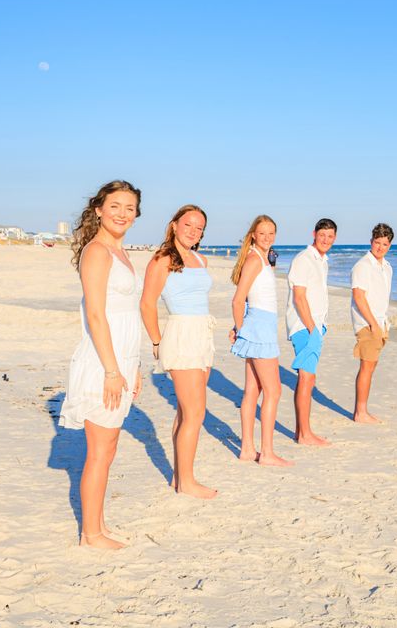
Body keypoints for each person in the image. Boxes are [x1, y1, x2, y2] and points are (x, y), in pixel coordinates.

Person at [59, 180, 143, 549]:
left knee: (108, 449)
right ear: (99, 210)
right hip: (103, 360)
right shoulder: (97, 252)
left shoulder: (120, 252)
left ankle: (98, 525)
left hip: (122, 358)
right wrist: (111, 370)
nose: (122, 213)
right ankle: (90, 534)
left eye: (129, 208)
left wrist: (133, 366)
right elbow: (96, 314)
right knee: (99, 451)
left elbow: (126, 313)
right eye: (115, 206)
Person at [140, 205, 218, 499]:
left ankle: (178, 477)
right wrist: (157, 342)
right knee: (196, 413)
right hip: (181, 334)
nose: (193, 232)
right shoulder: (162, 259)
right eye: (188, 225)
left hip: (202, 335)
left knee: (187, 411)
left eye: (199, 228)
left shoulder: (201, 258)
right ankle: (187, 481)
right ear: (174, 225)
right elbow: (147, 303)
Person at [229, 215, 293, 467]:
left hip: (260, 325)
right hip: (259, 328)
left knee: (252, 391)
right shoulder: (255, 259)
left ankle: (247, 449)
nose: (267, 238)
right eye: (262, 233)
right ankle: (266, 452)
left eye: (271, 233)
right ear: (253, 234)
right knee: (274, 391)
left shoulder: (263, 258)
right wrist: (240, 328)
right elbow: (237, 299)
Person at [285, 218, 337, 445]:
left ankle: (302, 432)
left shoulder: (322, 260)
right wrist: (313, 329)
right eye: (322, 235)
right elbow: (299, 296)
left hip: (315, 325)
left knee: (309, 377)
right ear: (314, 234)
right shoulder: (304, 259)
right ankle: (305, 434)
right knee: (306, 378)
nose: (326, 240)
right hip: (305, 326)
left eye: (330, 236)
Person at [350, 223, 394, 423]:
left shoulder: (387, 267)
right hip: (368, 324)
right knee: (366, 367)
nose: (380, 247)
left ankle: (362, 410)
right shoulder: (363, 265)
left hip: (380, 322)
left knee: (371, 366)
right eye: (377, 243)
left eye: (385, 244)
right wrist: (373, 324)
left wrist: (382, 324)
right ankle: (360, 412)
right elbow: (359, 297)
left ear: (389, 245)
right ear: (371, 242)